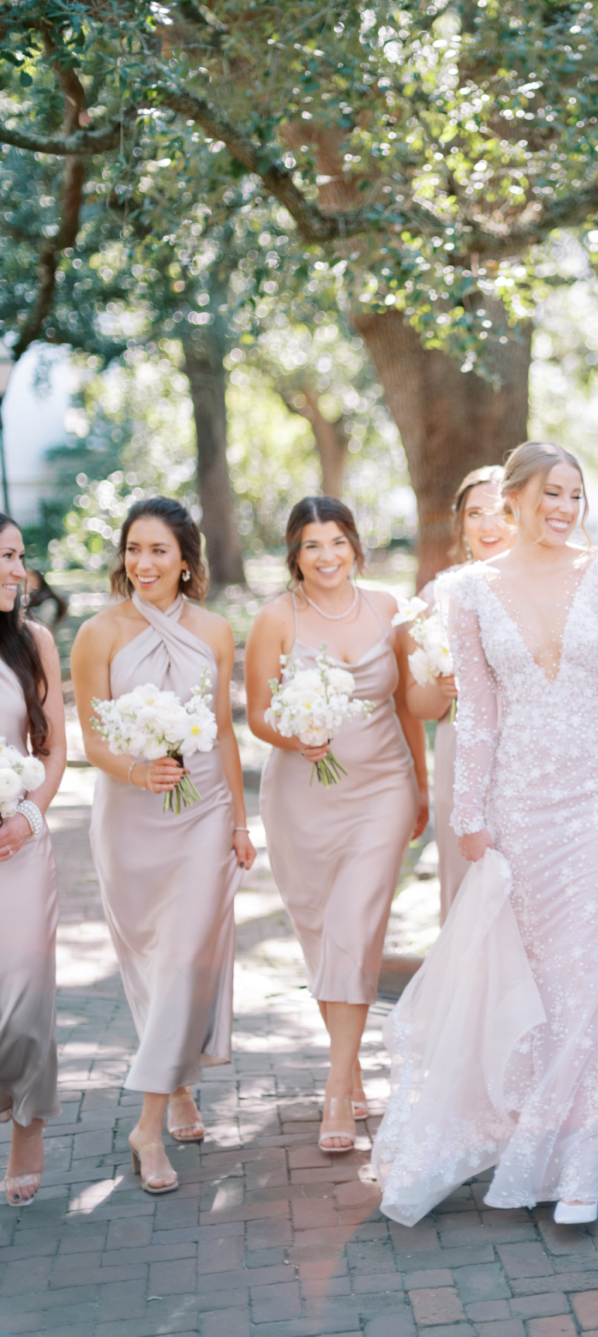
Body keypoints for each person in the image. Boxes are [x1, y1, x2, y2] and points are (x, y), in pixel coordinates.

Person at [372, 441, 598, 1227]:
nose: (565, 508)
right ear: (514, 499)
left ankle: (582, 1164)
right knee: (534, 981)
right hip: (516, 809)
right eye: (551, 494)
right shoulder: (466, 591)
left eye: (575, 493)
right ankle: (531, 1147)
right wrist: (467, 813)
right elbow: (478, 714)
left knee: (594, 980)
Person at [72, 497, 254, 1196]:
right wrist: (140, 769)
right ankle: (176, 1086)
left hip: (203, 811)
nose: (142, 564)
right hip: (129, 814)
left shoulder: (214, 629)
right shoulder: (98, 634)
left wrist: (240, 821)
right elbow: (92, 740)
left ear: (186, 560)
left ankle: (146, 1128)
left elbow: (225, 731)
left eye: (158, 551)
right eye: (133, 549)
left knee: (184, 956)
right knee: (151, 966)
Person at [246, 496, 425, 1151]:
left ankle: (334, 1090)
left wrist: (422, 784)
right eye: (312, 545)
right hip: (301, 798)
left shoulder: (387, 608)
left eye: (338, 541)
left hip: (383, 789)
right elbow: (259, 711)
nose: (327, 556)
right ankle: (349, 1070)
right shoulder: (277, 617)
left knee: (354, 927)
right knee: (323, 935)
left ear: (355, 545)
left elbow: (408, 703)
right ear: (294, 553)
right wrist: (298, 735)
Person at [403, 466, 514, 922]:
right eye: (475, 514)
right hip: (459, 749)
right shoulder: (437, 594)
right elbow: (418, 704)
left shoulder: (549, 586)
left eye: (501, 512)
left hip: (529, 750)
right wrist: (442, 686)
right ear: (460, 525)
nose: (488, 526)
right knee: (467, 884)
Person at [0, 516, 67, 1206]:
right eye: (2, 558)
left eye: (17, 556)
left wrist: (28, 814)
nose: (15, 572)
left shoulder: (34, 642)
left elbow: (53, 751)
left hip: (20, 842)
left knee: (23, 999)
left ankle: (28, 1120)